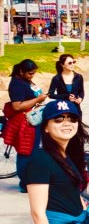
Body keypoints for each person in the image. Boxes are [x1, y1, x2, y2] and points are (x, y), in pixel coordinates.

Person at [6, 59, 47, 192]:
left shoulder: (25, 81)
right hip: (24, 122)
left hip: (32, 120)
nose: (32, 76)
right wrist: (38, 99)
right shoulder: (16, 84)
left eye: (33, 73)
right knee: (25, 152)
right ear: (21, 72)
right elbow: (17, 106)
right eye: (30, 73)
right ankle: (24, 183)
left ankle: (29, 180)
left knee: (32, 151)